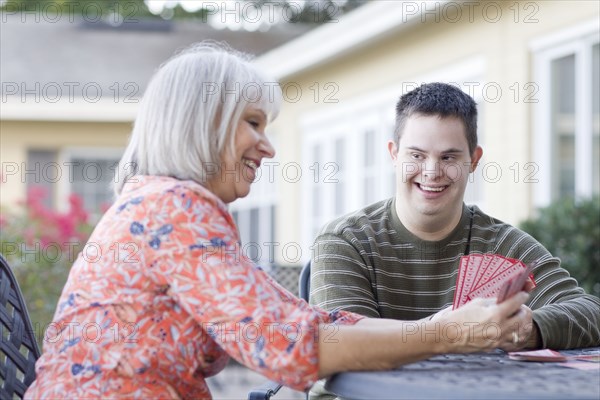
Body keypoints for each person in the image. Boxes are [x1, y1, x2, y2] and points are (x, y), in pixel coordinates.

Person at [25, 45, 532, 400]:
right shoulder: (174, 208)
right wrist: (445, 334)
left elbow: (305, 320)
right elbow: (290, 347)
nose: (268, 146)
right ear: (203, 122)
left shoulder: (161, 205)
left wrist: (440, 326)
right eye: (252, 123)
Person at [310, 82, 600, 352]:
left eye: (449, 157)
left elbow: (591, 311)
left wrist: (530, 328)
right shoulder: (346, 241)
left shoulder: (502, 244)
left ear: (473, 160)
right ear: (394, 155)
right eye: (417, 155)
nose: (432, 171)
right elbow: (346, 342)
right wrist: (445, 331)